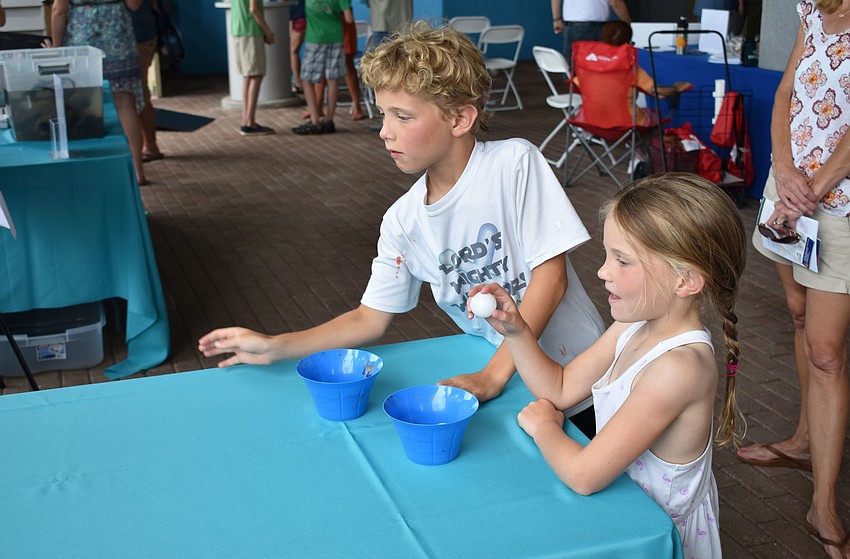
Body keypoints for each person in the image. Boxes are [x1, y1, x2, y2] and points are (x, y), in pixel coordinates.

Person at [199, 21, 606, 436]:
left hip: (583, 373)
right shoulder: (402, 220)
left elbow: (550, 280)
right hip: (521, 388)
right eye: (382, 114)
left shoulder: (514, 164)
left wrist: (492, 376)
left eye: (403, 116)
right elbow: (368, 319)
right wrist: (274, 346)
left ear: (461, 118)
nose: (384, 131)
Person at [470, 173, 747, 558]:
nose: (602, 272)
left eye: (622, 261)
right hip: (624, 513)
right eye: (607, 256)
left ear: (685, 281)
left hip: (652, 536)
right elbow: (561, 388)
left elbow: (585, 476)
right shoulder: (632, 326)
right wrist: (516, 332)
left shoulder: (679, 368)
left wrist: (545, 428)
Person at [735, 2, 850, 557]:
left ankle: (822, 503)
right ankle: (805, 442)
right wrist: (783, 165)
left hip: (839, 203)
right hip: (788, 193)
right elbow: (786, 93)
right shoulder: (812, 10)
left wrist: (813, 186)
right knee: (799, 317)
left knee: (827, 353)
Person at [48, 0, 148, 186]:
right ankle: (136, 171)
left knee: (80, 105)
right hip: (119, 35)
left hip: (82, 37)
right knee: (125, 105)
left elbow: (59, 10)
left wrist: (57, 47)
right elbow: (135, 4)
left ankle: (91, 169)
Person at [599, 21, 693, 127]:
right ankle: (643, 142)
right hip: (627, 122)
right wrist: (676, 88)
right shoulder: (630, 68)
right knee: (657, 116)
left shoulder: (589, 65)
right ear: (627, 44)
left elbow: (577, 86)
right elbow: (659, 93)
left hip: (592, 121)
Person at [292, 0, 353, 135]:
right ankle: (329, 120)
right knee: (333, 80)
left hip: (315, 39)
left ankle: (315, 121)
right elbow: (349, 19)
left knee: (307, 80)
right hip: (336, 36)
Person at [231, 0, 275, 136]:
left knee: (248, 76)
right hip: (251, 31)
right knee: (256, 75)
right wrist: (268, 32)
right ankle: (249, 122)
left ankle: (246, 120)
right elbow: (254, 9)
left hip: (238, 29)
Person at [130, 0, 164, 162]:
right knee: (135, 92)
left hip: (137, 35)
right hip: (133, 33)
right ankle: (149, 145)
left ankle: (150, 145)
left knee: (137, 92)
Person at [551, 0, 631, 66]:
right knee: (595, 70)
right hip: (594, 29)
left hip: (570, 28)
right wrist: (628, 24)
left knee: (572, 71)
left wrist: (556, 19)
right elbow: (615, 2)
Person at [289, 0, 306, 95]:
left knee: (293, 51)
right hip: (301, 17)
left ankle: (298, 83)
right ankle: (298, 82)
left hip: (299, 17)